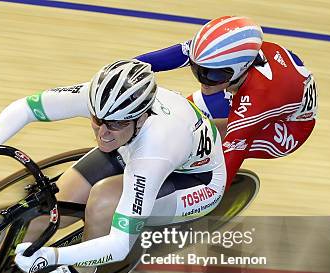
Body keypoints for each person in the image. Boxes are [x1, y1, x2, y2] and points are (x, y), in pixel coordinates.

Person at [0, 60, 226, 273]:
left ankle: (82, 271)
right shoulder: (104, 100)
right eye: (97, 120)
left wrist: (54, 257)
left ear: (142, 117)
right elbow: (26, 108)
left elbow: (119, 246)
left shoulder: (157, 148)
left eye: (115, 124)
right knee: (47, 212)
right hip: (131, 149)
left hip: (195, 181)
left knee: (103, 200)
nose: (102, 132)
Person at [136, 15, 318, 191]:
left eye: (213, 75)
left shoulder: (259, 98)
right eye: (197, 70)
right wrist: (129, 66)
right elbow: (172, 57)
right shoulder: (221, 52)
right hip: (250, 92)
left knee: (199, 148)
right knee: (181, 118)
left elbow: (225, 170)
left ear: (241, 69)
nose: (203, 81)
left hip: (286, 128)